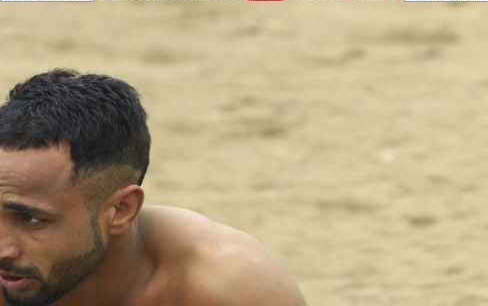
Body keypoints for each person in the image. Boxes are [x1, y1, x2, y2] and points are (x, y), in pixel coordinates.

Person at [0, 69, 307, 306]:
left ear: (121, 210)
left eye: (30, 219)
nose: (3, 248)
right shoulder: (13, 275)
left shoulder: (227, 287)